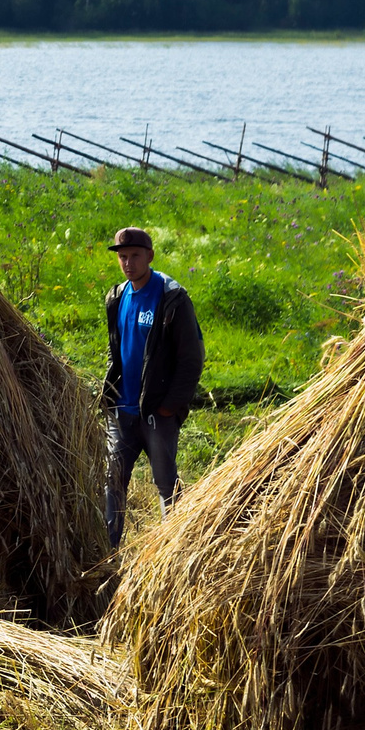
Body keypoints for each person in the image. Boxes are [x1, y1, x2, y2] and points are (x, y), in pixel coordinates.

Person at [99, 227, 204, 548]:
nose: (128, 263)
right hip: (122, 412)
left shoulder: (171, 297)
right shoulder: (116, 297)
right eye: (122, 257)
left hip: (157, 412)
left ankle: (171, 553)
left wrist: (169, 405)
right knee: (112, 483)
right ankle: (108, 552)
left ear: (150, 256)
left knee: (165, 485)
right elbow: (115, 348)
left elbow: (192, 357)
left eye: (134, 256)